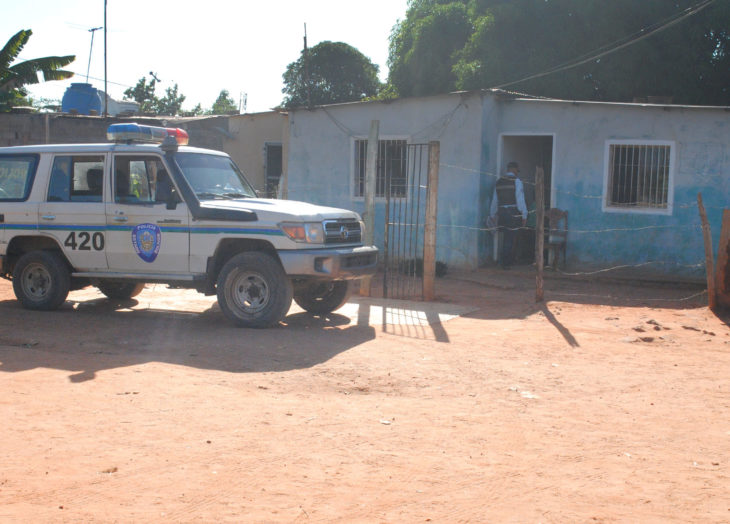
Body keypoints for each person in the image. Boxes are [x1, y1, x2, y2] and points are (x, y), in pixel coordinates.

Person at [489, 161, 528, 268]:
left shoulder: (499, 182)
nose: (517, 173)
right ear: (514, 170)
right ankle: (505, 262)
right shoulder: (517, 181)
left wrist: (492, 214)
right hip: (512, 213)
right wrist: (524, 215)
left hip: (502, 213)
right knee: (510, 238)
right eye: (517, 171)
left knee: (506, 236)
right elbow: (520, 200)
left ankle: (504, 261)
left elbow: (494, 200)